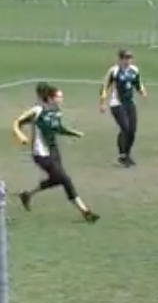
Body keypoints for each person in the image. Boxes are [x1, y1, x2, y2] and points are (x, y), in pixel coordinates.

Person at [12, 84, 99, 223]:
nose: (62, 99)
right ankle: (85, 212)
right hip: (41, 154)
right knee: (65, 179)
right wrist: (20, 136)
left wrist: (73, 133)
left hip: (54, 151)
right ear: (50, 98)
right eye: (59, 96)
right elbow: (17, 122)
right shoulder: (37, 110)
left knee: (57, 179)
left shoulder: (57, 111)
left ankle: (27, 195)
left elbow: (58, 128)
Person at [99, 48, 147, 167]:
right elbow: (105, 87)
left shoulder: (134, 70)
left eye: (130, 58)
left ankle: (127, 154)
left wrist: (142, 92)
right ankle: (122, 155)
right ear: (120, 59)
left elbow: (138, 83)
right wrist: (102, 103)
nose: (128, 61)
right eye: (125, 58)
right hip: (117, 104)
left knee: (132, 130)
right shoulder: (114, 71)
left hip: (129, 103)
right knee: (125, 128)